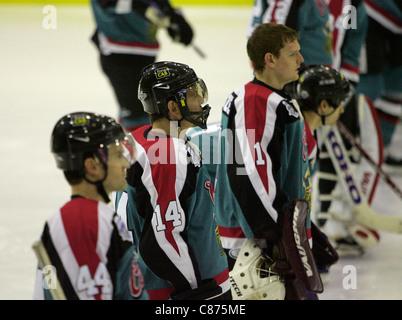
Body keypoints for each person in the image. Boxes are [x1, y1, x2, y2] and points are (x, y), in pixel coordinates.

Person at [214, 22, 334, 300]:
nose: (301, 60)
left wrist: (304, 229)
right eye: (292, 54)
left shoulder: (277, 101)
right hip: (253, 244)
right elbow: (249, 171)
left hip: (278, 236)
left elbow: (287, 177)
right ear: (269, 59)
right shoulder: (254, 100)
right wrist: (272, 236)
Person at [114, 61, 231, 300]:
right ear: (172, 107)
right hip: (181, 289)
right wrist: (192, 289)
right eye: (193, 94)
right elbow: (162, 236)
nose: (200, 101)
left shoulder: (141, 140)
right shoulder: (168, 155)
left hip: (161, 283)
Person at [33, 112, 147, 300]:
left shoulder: (92, 217)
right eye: (118, 155)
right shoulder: (85, 222)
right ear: (92, 167)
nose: (126, 163)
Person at [90, 0, 194, 133]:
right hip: (120, 54)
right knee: (138, 117)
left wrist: (171, 15)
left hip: (144, 52)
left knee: (145, 110)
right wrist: (143, 8)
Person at [356, 0, 402, 167]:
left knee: (396, 85)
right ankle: (354, 145)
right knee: (369, 86)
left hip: (395, 26)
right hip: (369, 18)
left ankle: (380, 149)